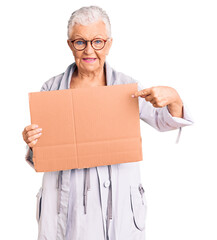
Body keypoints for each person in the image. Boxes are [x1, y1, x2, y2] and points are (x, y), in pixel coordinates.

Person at [22, 6, 194, 240]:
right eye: (80, 42)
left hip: (117, 207)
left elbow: (164, 122)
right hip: (66, 207)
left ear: (109, 44)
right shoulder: (51, 89)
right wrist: (33, 144)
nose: (89, 50)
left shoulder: (127, 87)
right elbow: (41, 157)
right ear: (70, 45)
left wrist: (174, 97)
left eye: (98, 41)